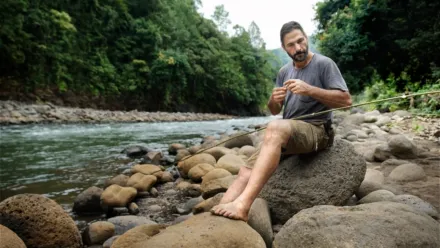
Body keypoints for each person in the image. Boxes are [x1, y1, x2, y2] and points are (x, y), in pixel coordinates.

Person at [210, 21, 352, 221]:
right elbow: (274, 110)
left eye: (300, 41)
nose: (298, 48)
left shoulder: (324, 64)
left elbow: (346, 101)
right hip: (288, 132)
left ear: (306, 38)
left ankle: (242, 206)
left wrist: (309, 89)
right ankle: (222, 208)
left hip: (318, 130)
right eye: (291, 45)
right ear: (284, 48)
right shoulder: (284, 72)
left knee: (275, 127)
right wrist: (273, 100)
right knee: (245, 170)